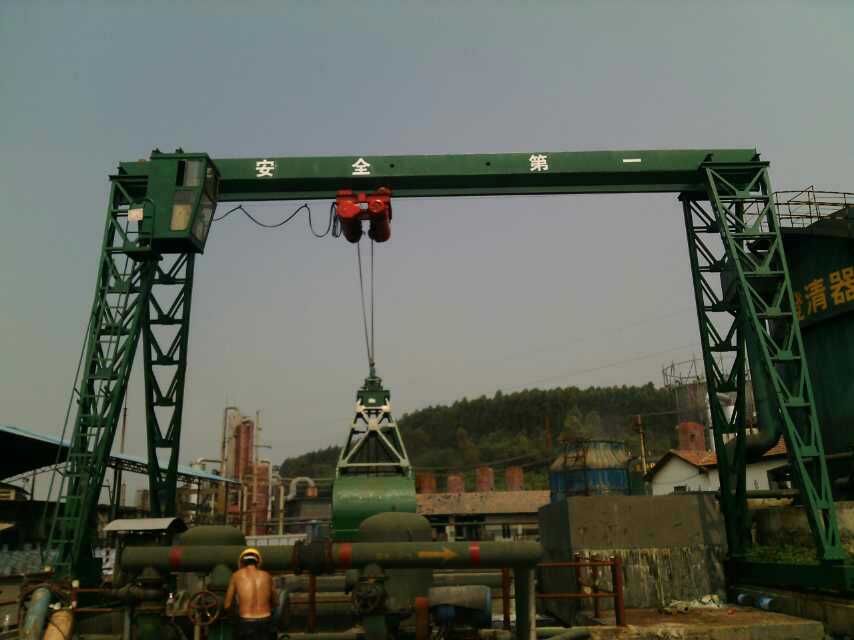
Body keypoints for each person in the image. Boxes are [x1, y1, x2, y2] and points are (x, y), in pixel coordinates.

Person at [224, 548, 277, 640]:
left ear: (242, 562)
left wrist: (235, 618)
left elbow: (227, 605)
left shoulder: (236, 576)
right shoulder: (267, 576)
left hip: (245, 623)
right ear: (258, 562)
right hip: (266, 622)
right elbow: (275, 602)